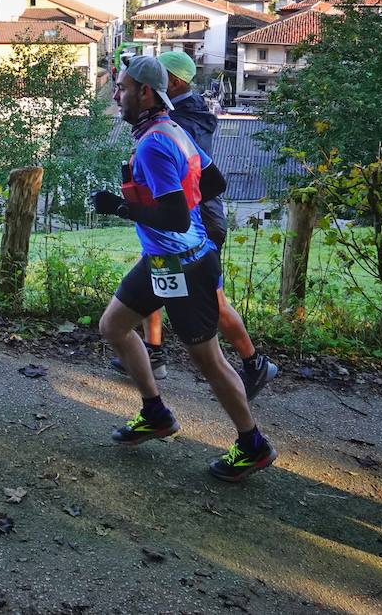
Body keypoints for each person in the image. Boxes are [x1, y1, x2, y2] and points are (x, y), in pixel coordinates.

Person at [91, 55, 275, 482]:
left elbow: (174, 217)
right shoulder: (171, 130)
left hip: (187, 265)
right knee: (114, 326)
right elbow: (213, 183)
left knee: (208, 361)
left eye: (121, 88)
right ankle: (155, 413)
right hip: (164, 260)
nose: (115, 95)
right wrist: (178, 216)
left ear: (146, 92)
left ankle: (253, 445)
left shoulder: (156, 143)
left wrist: (120, 207)